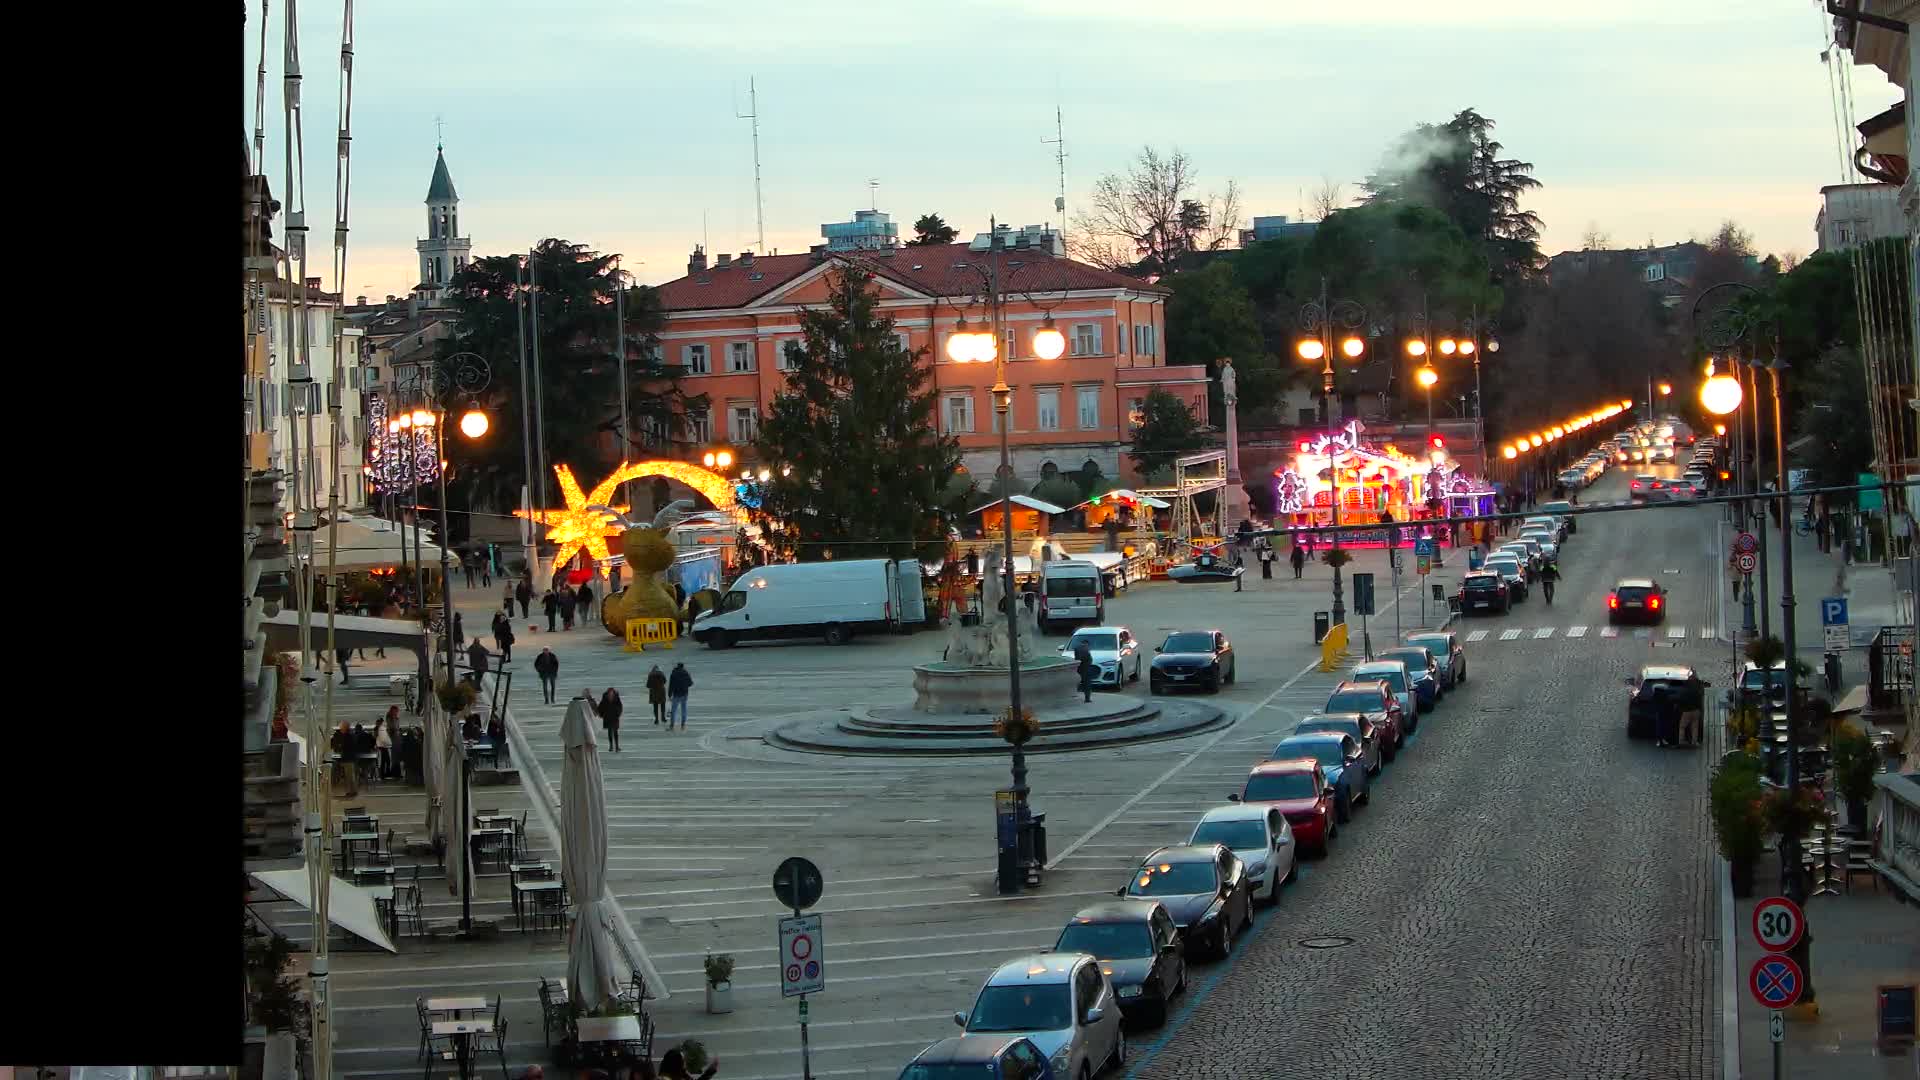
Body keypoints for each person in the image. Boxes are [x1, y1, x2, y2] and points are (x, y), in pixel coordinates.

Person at [330, 720, 358, 796]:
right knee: (350, 775)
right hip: (350, 758)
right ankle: (352, 790)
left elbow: (344, 747)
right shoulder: (351, 735)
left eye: (341, 727)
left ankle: (351, 791)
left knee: (349, 776)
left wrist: (339, 746)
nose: (340, 729)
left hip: (348, 758)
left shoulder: (347, 736)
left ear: (344, 727)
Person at [667, 662, 693, 730]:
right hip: (684, 694)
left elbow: (671, 685)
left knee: (673, 710)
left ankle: (672, 725)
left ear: (677, 666)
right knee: (684, 709)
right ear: (683, 666)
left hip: (676, 694)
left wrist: (669, 694)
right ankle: (683, 725)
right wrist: (685, 686)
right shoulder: (686, 673)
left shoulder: (673, 673)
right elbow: (690, 683)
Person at [374, 708, 396, 779]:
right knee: (383, 761)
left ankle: (386, 773)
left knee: (387, 761)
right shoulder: (377, 729)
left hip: (384, 747)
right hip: (381, 747)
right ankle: (383, 774)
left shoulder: (382, 728)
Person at [1074, 636, 1095, 703]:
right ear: (1087, 644)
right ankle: (1087, 698)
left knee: (1077, 683)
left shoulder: (1077, 648)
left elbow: (1077, 659)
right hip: (1087, 669)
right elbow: (1090, 660)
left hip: (1079, 669)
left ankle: (1074, 694)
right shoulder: (1086, 650)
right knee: (1087, 684)